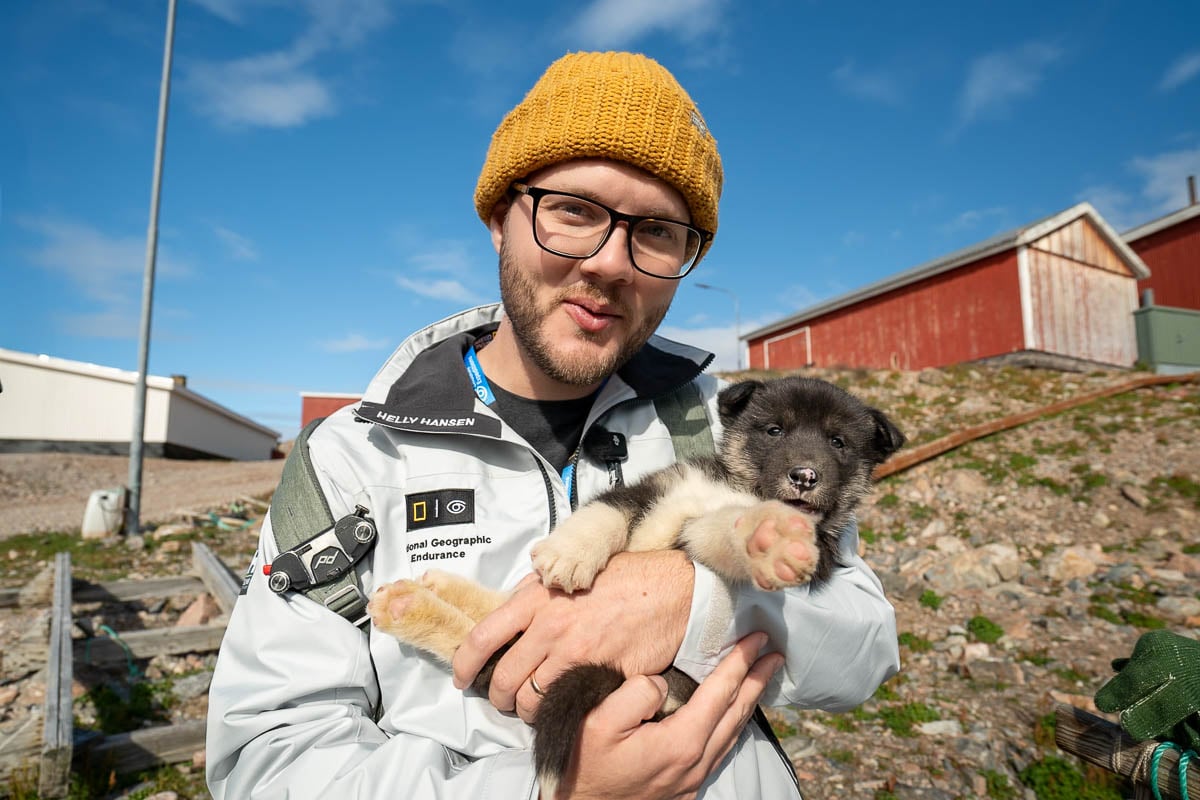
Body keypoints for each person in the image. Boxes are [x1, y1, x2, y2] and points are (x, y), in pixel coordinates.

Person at [206, 51, 900, 799]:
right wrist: (550, 792)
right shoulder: (354, 455)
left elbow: (863, 649)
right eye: (574, 211)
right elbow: (267, 755)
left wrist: (690, 604)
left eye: (658, 232)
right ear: (499, 218)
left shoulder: (736, 424)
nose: (610, 264)